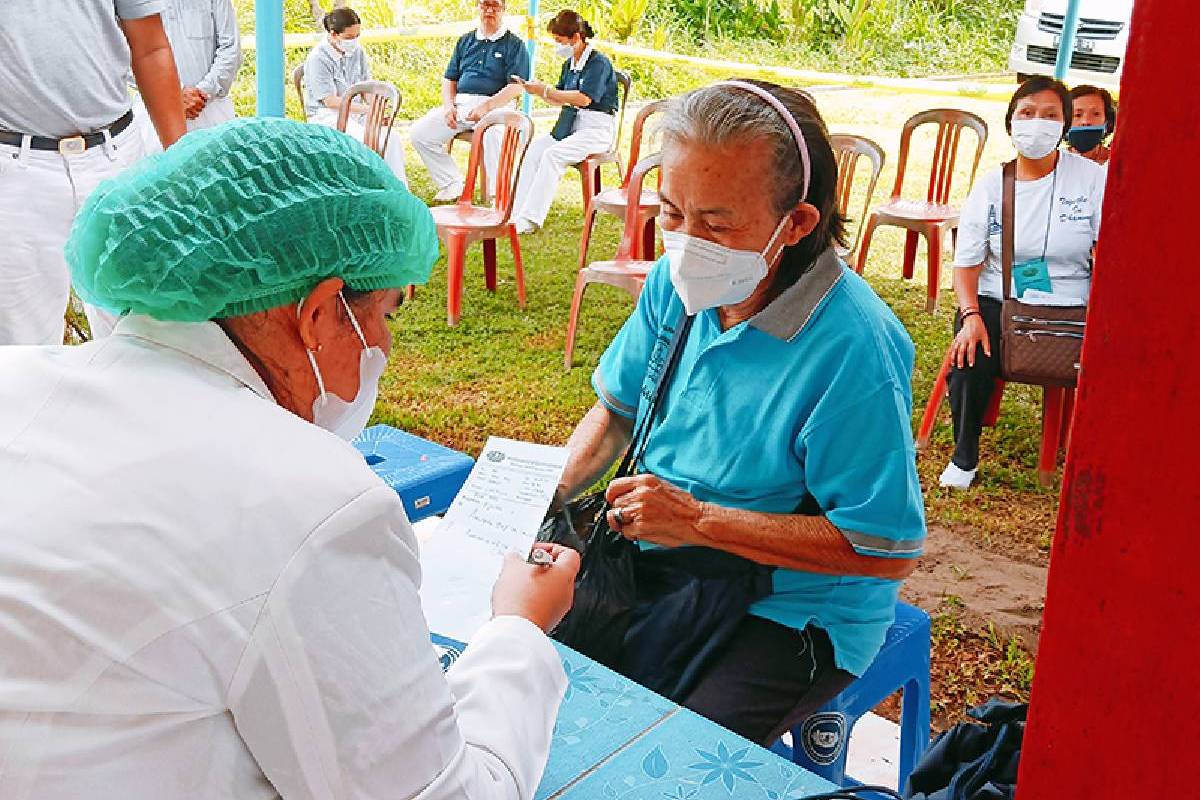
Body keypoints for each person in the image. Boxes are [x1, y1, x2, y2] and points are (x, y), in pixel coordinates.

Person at [0, 119, 580, 799]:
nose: (387, 349)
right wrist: (518, 630)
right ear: (321, 311)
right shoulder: (309, 501)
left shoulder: (17, 379)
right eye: (388, 314)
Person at [556, 80, 925, 745]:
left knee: (666, 761)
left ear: (798, 223)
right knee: (524, 676)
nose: (687, 242)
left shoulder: (854, 349)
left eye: (717, 224)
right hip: (660, 557)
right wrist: (546, 487)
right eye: (672, 213)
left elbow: (884, 546)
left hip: (788, 607)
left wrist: (698, 520)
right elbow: (614, 412)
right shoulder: (673, 284)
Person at [941, 77, 1106, 489]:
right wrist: (970, 315)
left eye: (1051, 115)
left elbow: (1110, 248)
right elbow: (967, 264)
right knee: (970, 350)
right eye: (1027, 113)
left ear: (1065, 126)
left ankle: (1093, 455)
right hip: (1003, 298)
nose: (1038, 124)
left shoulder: (1091, 179)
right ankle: (964, 455)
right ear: (1011, 123)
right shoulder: (992, 184)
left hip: (1074, 301)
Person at [0, 2, 186, 346]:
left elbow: (151, 47)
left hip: (117, 159)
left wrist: (182, 160)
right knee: (19, 348)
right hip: (17, 170)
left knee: (144, 333)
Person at [409, 0, 530, 202]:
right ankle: (451, 183)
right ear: (477, 6)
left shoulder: (515, 44)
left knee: (494, 135)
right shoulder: (465, 41)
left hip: (497, 106)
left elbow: (517, 86)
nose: (489, 10)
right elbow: (450, 79)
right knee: (420, 133)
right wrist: (449, 107)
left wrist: (487, 106)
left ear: (504, 9)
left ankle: (496, 195)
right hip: (462, 104)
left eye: (495, 6)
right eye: (485, 5)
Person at [510, 10, 618, 234]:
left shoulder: (599, 63)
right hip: (571, 126)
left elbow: (583, 98)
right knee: (534, 150)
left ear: (576, 38)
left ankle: (531, 219)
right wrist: (537, 90)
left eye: (560, 41)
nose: (558, 47)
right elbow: (560, 97)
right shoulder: (569, 64)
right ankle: (515, 212)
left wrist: (547, 90)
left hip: (596, 130)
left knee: (553, 155)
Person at [303, 7, 408, 184]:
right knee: (365, 139)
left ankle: (399, 189)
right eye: (349, 38)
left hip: (357, 111)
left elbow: (367, 88)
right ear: (333, 34)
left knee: (391, 138)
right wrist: (368, 110)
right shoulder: (317, 58)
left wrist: (376, 112)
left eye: (357, 36)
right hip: (327, 115)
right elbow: (330, 101)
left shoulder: (357, 52)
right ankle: (371, 186)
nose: (354, 41)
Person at [132, 0, 243, 153]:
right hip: (153, 116)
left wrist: (202, 93)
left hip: (210, 110)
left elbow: (231, 49)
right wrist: (176, 94)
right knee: (162, 173)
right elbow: (124, 55)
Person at [1066, 84, 1116, 167]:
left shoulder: (1118, 164)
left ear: (1107, 120)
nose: (1086, 121)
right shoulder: (1053, 163)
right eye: (1078, 115)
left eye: (1096, 114)